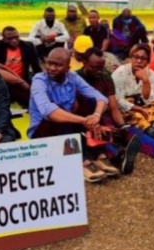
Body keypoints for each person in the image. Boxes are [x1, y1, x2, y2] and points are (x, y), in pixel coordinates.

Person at [29, 48, 125, 182]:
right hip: (44, 131)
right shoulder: (39, 80)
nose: (52, 68)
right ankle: (81, 162)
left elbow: (101, 98)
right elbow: (50, 112)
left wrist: (96, 116)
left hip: (68, 126)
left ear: (68, 68)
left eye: (58, 65)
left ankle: (96, 155)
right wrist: (84, 120)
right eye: (49, 63)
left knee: (90, 103)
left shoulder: (72, 77)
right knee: (60, 112)